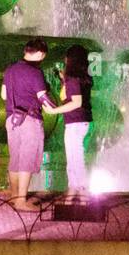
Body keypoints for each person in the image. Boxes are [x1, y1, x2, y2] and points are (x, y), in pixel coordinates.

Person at [2, 38, 53, 210]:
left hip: (12, 120)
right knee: (27, 158)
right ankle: (22, 201)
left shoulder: (9, 70)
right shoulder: (35, 73)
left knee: (15, 158)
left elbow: (3, 95)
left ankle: (14, 196)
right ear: (40, 53)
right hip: (30, 120)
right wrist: (58, 108)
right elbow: (43, 99)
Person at [44, 44, 93, 195]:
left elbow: (75, 102)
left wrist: (54, 110)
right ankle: (74, 191)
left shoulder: (72, 79)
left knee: (75, 157)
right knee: (73, 157)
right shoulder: (81, 77)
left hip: (75, 123)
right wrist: (63, 79)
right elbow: (71, 95)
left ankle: (81, 191)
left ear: (70, 59)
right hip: (80, 121)